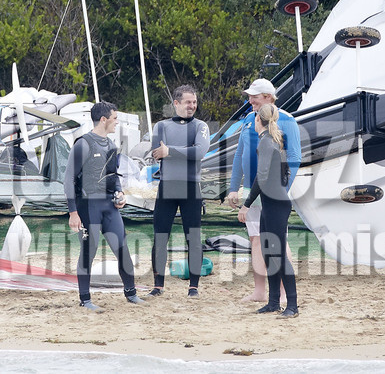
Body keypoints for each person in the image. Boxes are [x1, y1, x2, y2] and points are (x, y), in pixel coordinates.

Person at [224, 77, 300, 304]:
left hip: (273, 190)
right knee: (256, 240)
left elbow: (295, 157)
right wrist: (234, 187)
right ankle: (261, 291)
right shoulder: (249, 119)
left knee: (278, 241)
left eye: (254, 97)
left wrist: (281, 188)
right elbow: (239, 155)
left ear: (268, 97)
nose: (250, 101)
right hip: (253, 188)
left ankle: (286, 295)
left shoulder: (287, 120)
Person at [65, 102, 142, 310]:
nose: (117, 122)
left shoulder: (111, 146)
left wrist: (120, 193)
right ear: (104, 120)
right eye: (115, 118)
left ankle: (131, 293)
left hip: (109, 207)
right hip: (88, 207)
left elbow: (113, 177)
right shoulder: (83, 144)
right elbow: (68, 180)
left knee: (122, 248)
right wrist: (73, 212)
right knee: (89, 251)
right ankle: (85, 299)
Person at [148, 83, 211, 297]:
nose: (192, 106)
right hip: (167, 187)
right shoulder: (161, 126)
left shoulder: (200, 126)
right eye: (187, 102)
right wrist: (170, 152)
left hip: (191, 188)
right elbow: (156, 152)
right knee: (160, 237)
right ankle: (158, 285)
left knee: (193, 237)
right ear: (176, 103)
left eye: (194, 102)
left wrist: (170, 151)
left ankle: (193, 286)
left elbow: (200, 151)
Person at [244, 102, 299, 316]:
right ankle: (274, 302)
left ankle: (292, 306)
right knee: (269, 253)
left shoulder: (267, 142)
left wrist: (247, 204)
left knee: (278, 254)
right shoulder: (276, 140)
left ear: (258, 120)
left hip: (275, 203)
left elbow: (261, 177)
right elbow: (284, 174)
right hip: (273, 201)